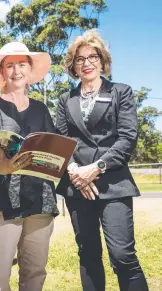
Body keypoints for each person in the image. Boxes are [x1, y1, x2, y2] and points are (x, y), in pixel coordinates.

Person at [56, 29, 149, 291]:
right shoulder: (66, 99)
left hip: (112, 183)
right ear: (73, 66)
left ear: (102, 60)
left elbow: (128, 138)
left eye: (92, 57)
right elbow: (62, 140)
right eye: (79, 59)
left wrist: (95, 168)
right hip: (78, 187)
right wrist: (76, 172)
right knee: (87, 254)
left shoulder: (121, 92)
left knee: (122, 255)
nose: (86, 63)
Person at [0, 41, 59, 291]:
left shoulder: (41, 109)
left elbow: (52, 149)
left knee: (34, 273)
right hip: (2, 201)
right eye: (9, 65)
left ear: (30, 69)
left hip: (39, 200)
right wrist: (0, 167)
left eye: (22, 64)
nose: (16, 70)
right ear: (2, 72)